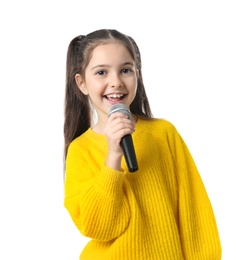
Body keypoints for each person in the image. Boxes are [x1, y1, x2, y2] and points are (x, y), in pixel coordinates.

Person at [63, 29, 222, 260]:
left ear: (137, 74)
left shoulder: (163, 133)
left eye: (125, 70)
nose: (115, 82)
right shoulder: (80, 150)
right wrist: (113, 158)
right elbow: (99, 228)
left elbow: (194, 212)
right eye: (101, 72)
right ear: (82, 83)